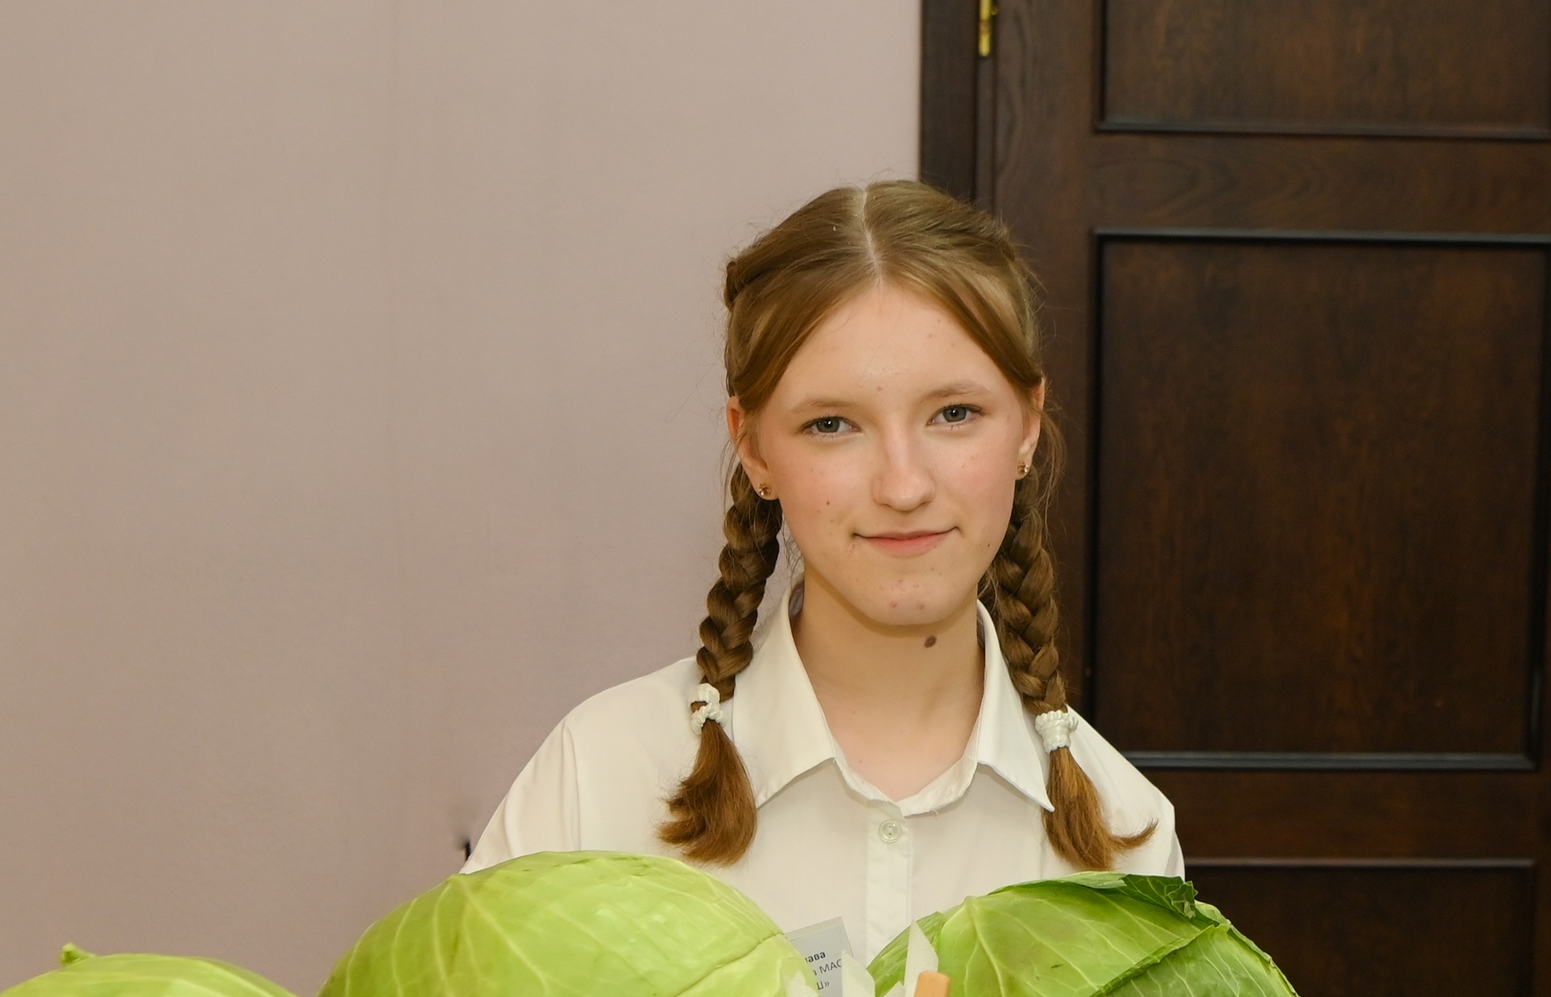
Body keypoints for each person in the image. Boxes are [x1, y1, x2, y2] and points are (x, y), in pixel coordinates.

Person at [465, 181, 1180, 957]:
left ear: (1028, 427)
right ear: (754, 447)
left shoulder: (1126, 834)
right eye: (832, 424)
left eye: (954, 414)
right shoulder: (598, 780)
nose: (902, 485)